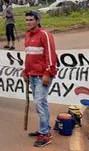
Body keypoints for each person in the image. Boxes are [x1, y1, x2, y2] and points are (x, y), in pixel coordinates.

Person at [23, 11, 57, 147]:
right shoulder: (27, 36)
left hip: (42, 76)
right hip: (32, 75)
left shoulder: (45, 35)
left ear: (38, 20)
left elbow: (51, 56)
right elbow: (28, 57)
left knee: (39, 103)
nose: (28, 22)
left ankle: (45, 135)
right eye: (27, 20)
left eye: (31, 20)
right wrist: (25, 71)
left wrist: (48, 73)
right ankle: (45, 129)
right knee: (41, 103)